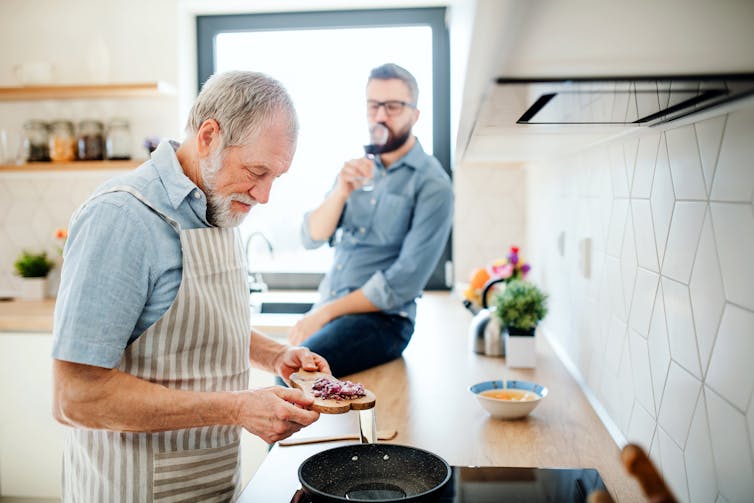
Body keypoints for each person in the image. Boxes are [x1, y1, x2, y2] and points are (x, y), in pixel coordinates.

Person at [51, 71, 330, 502]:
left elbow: (194, 323)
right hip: (133, 489)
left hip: (213, 483)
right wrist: (238, 407)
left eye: (277, 176)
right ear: (208, 136)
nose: (265, 194)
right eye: (258, 171)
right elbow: (75, 396)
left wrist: (276, 355)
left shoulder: (218, 201)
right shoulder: (122, 217)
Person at [288, 63, 453, 377]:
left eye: (392, 107)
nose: (380, 117)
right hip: (330, 309)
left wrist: (323, 314)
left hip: (385, 322)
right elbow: (310, 237)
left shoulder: (433, 185)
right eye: (373, 105)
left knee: (295, 373)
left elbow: (402, 282)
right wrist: (340, 192)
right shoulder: (355, 171)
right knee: (284, 367)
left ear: (414, 115)